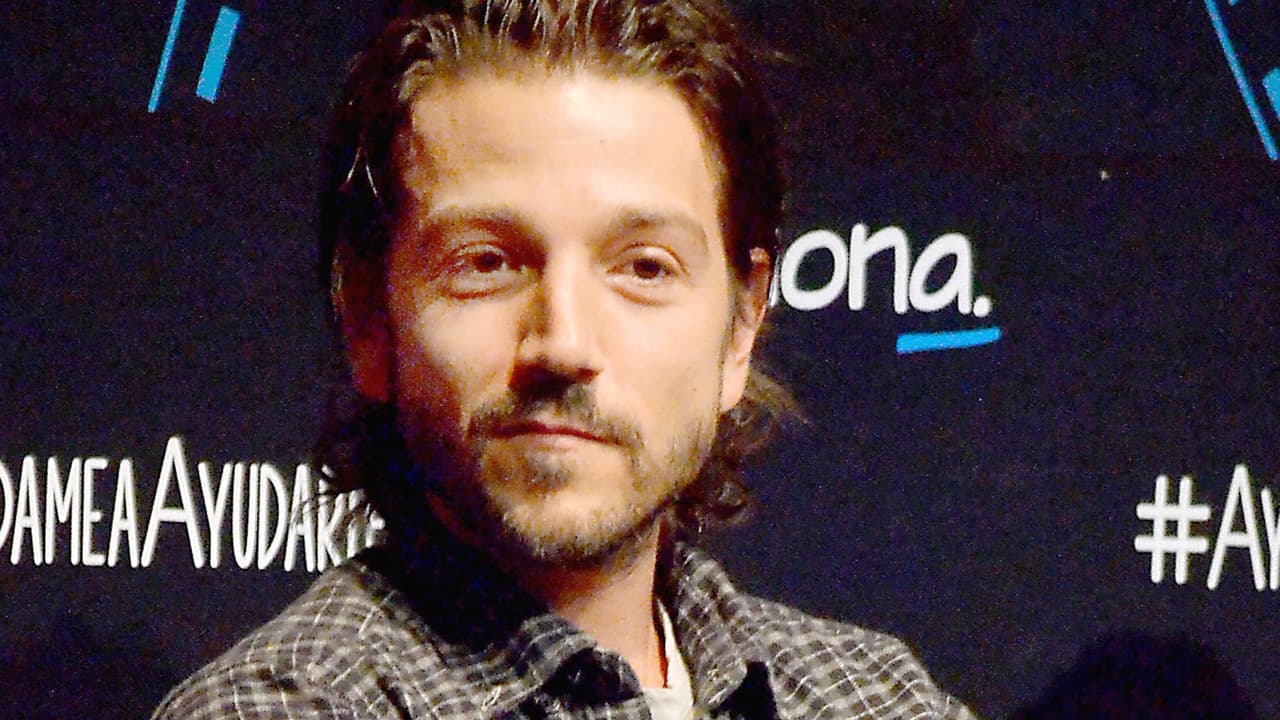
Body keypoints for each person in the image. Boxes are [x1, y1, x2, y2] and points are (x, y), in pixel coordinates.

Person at [153, 1, 977, 718]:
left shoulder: (877, 697)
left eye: (644, 267)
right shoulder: (281, 708)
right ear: (369, 318)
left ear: (740, 328)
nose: (565, 343)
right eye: (487, 263)